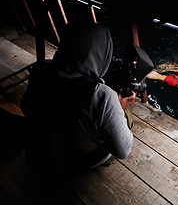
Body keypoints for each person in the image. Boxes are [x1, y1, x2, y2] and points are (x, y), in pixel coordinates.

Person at [21, 22, 134, 174]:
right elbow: (123, 151)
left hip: (43, 148)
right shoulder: (103, 96)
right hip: (79, 160)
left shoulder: (41, 70)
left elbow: (25, 105)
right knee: (127, 114)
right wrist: (119, 108)